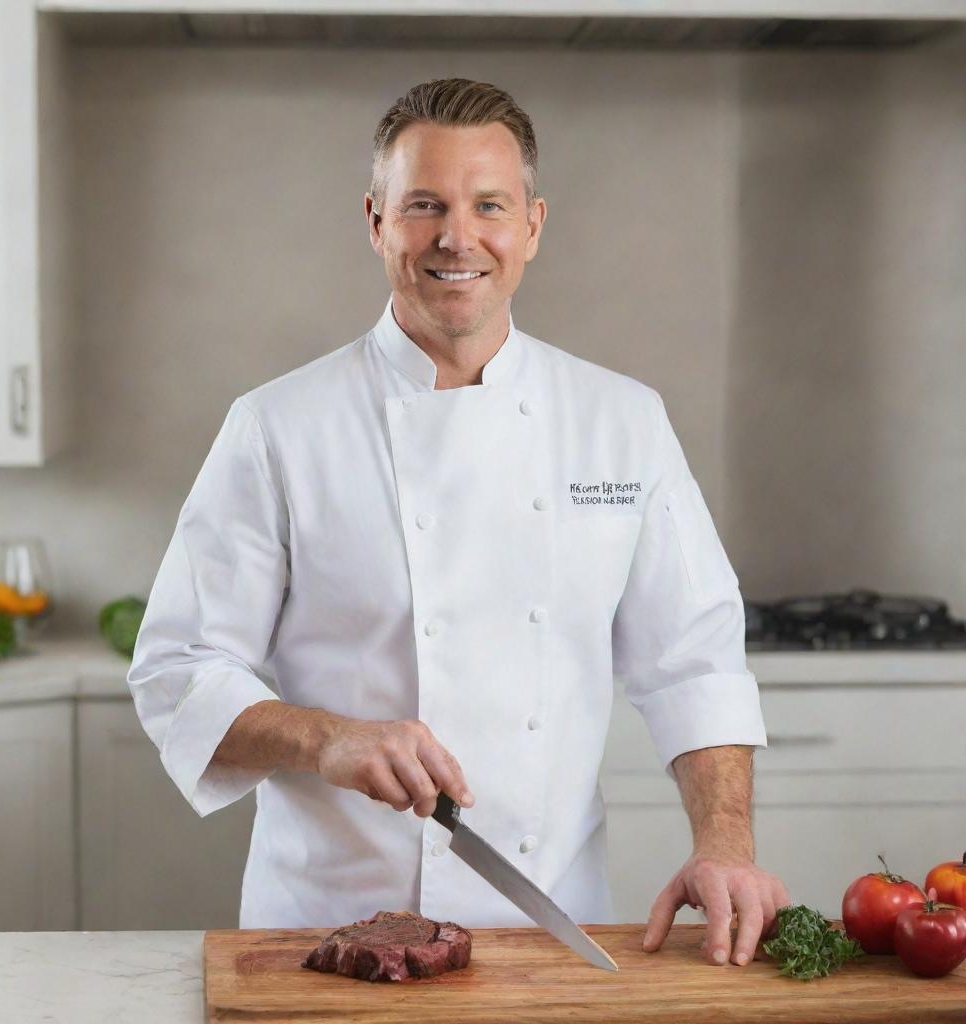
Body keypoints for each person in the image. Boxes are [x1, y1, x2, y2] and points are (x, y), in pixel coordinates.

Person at [127, 77, 789, 966]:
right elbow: (177, 668)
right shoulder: (279, 426)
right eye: (424, 205)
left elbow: (695, 659)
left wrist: (725, 845)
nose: (457, 237)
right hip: (325, 931)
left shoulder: (621, 421)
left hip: (550, 925)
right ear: (375, 221)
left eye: (489, 206)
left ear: (534, 226)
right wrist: (329, 738)